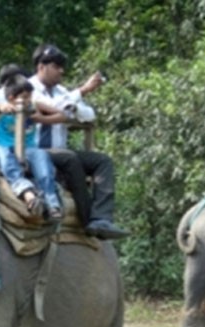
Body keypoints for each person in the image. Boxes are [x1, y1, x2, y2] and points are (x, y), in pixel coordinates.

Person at [28, 43, 128, 239]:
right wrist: (81, 92)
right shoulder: (27, 88)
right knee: (70, 158)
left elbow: (88, 114)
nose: (61, 71)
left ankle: (101, 218)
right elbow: (53, 106)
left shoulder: (61, 91)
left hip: (60, 151)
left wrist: (71, 106)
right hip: (37, 151)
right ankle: (87, 219)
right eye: (56, 66)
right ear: (42, 66)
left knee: (102, 161)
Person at [0, 73, 64, 221]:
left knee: (42, 159)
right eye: (24, 97)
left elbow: (62, 114)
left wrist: (41, 118)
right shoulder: (0, 109)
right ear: (10, 98)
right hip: (5, 148)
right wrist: (0, 107)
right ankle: (26, 191)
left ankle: (52, 203)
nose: (28, 100)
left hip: (29, 150)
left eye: (30, 96)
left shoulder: (33, 107)